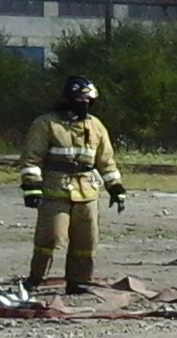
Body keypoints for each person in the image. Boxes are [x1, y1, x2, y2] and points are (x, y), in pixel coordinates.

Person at [17, 76, 127, 294]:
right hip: (55, 190)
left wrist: (116, 188)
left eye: (88, 100)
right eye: (79, 99)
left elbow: (106, 161)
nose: (84, 104)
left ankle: (79, 281)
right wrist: (31, 187)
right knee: (50, 237)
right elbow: (31, 158)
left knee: (86, 241)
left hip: (87, 192)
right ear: (68, 99)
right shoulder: (46, 124)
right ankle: (36, 278)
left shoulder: (95, 126)